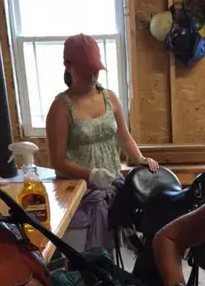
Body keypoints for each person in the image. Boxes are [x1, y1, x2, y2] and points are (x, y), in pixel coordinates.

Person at [46, 33, 158, 252]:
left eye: (95, 70)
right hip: (79, 193)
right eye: (86, 70)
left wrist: (140, 158)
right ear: (68, 66)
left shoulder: (110, 98)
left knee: (113, 250)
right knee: (84, 255)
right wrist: (91, 175)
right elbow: (58, 161)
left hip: (111, 185)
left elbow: (124, 137)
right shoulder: (61, 107)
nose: (92, 75)